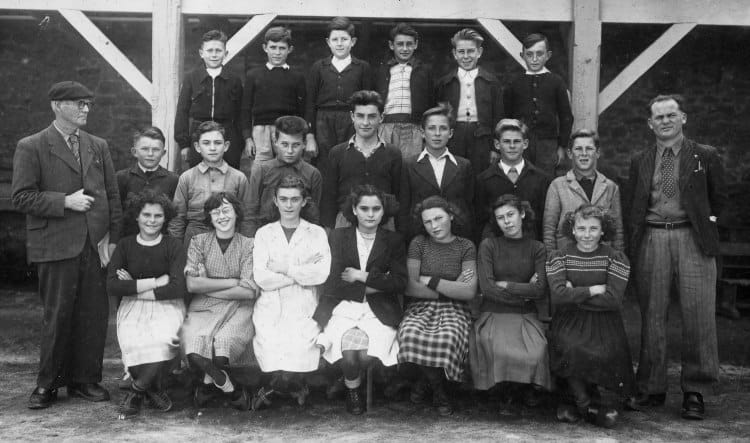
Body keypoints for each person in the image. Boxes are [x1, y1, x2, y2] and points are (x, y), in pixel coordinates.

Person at [12, 81, 122, 409]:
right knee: (58, 315)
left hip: (95, 245)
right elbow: (21, 197)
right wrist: (65, 201)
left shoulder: (97, 145)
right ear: (57, 106)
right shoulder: (31, 146)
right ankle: (48, 384)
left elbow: (112, 195)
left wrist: (112, 240)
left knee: (93, 314)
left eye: (88, 104)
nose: (86, 109)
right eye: (79, 103)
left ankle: (85, 381)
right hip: (56, 244)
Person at [626, 94, 726, 420]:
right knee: (652, 315)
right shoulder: (640, 160)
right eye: (659, 117)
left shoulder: (705, 155)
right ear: (650, 123)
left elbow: (718, 199)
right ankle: (651, 387)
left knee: (698, 316)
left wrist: (705, 225)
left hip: (691, 238)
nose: (665, 121)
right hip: (653, 237)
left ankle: (696, 390)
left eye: (671, 115)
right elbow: (634, 203)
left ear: (683, 118)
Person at [314, 185, 407, 414]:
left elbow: (399, 282)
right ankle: (352, 390)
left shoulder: (394, 240)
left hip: (380, 310)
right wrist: (377, 284)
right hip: (342, 307)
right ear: (354, 210)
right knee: (348, 355)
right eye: (364, 208)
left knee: (365, 356)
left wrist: (361, 276)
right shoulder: (338, 237)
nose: (370, 214)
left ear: (384, 211)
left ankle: (353, 378)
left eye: (376, 209)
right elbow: (333, 282)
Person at [546, 204, 635, 428]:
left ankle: (585, 401)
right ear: (572, 230)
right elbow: (558, 296)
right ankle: (585, 404)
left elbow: (613, 300)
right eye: (581, 228)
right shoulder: (560, 256)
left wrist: (574, 293)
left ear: (603, 230)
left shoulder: (615, 258)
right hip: (569, 320)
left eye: (593, 229)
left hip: (605, 322)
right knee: (571, 347)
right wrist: (593, 290)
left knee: (604, 351)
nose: (587, 235)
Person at [251, 176, 331, 409]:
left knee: (300, 344)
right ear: (275, 201)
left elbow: (321, 274)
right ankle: (290, 386)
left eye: (295, 199)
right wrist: (302, 270)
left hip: (304, 303)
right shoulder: (264, 233)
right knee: (271, 343)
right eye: (283, 199)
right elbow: (262, 277)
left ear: (304, 202)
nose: (289, 205)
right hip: (271, 303)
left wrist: (284, 268)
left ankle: (279, 387)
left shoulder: (316, 233)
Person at [106, 190, 185, 418]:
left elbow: (177, 287)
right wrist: (155, 282)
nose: (152, 220)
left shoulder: (173, 245)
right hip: (133, 306)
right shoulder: (125, 245)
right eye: (146, 215)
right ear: (137, 217)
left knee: (163, 339)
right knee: (133, 341)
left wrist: (133, 286)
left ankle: (137, 390)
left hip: (167, 305)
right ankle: (153, 389)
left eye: (158, 216)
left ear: (165, 218)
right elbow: (112, 285)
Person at [469, 194, 551, 409]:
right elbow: (487, 288)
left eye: (510, 214)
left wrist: (507, 285)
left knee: (536, 350)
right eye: (500, 218)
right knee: (496, 347)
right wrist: (525, 291)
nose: (506, 221)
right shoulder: (489, 245)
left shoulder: (537, 248)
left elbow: (540, 290)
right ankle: (501, 390)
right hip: (493, 312)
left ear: (522, 214)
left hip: (525, 315)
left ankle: (522, 389)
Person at [398, 196, 477, 416]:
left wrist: (430, 280)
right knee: (410, 334)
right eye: (428, 222)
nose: (434, 226)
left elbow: (468, 291)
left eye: (438, 218)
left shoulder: (465, 246)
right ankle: (439, 391)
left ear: (451, 216)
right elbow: (411, 287)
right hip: (421, 307)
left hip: (455, 308)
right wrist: (452, 286)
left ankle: (425, 384)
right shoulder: (419, 243)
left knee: (448, 338)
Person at [180, 192, 257, 410]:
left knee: (224, 344)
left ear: (236, 213)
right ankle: (229, 387)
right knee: (193, 348)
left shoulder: (249, 245)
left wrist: (208, 284)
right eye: (215, 212)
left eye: (226, 210)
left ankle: (207, 384)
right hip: (203, 308)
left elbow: (249, 292)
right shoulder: (198, 242)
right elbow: (192, 285)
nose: (221, 216)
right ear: (209, 217)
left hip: (239, 307)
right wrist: (232, 281)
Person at [321, 90, 402, 230]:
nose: (365, 122)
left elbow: (400, 195)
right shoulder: (337, 153)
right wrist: (330, 231)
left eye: (372, 116)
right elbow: (329, 197)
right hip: (345, 224)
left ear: (381, 117)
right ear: (352, 116)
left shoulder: (393, 153)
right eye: (360, 116)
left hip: (383, 225)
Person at [306, 16, 373, 175]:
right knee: (324, 166)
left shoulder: (362, 67)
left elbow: (368, 104)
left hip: (352, 122)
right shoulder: (319, 67)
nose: (340, 43)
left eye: (344, 39)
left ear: (353, 41)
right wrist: (310, 136)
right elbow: (310, 103)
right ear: (328, 42)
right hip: (323, 123)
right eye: (335, 39)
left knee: (352, 165)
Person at [399, 103, 475, 242]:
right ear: (422, 132)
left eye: (443, 128)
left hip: (456, 237)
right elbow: (404, 208)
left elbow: (469, 206)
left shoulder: (464, 165)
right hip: (420, 238)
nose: (437, 133)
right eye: (432, 128)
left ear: (450, 133)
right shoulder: (409, 165)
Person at [168, 121, 252, 245]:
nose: (212, 148)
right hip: (195, 237)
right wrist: (176, 250)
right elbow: (177, 218)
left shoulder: (239, 178)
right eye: (206, 143)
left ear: (226, 146)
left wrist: (245, 247)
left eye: (217, 143)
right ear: (197, 147)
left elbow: (247, 218)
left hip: (228, 239)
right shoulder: (187, 177)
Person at [503, 33, 573, 177]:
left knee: (546, 178)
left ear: (548, 55)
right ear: (522, 56)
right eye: (529, 54)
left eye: (539, 54)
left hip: (548, 145)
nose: (534, 59)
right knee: (521, 177)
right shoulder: (514, 83)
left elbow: (566, 116)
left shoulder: (556, 82)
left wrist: (562, 146)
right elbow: (505, 116)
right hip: (520, 143)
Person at [543, 129, 624, 252]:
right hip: (567, 257)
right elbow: (549, 231)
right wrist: (552, 259)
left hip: (602, 258)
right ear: (570, 153)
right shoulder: (557, 186)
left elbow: (617, 232)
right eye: (578, 149)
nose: (584, 153)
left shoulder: (610, 187)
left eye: (589, 149)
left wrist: (618, 258)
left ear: (597, 153)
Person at [435, 28, 503, 174]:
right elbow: (438, 116)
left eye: (471, 51)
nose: (466, 56)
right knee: (454, 175)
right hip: (454, 138)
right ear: (454, 54)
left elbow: (498, 116)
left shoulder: (491, 82)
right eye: (461, 52)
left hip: (482, 139)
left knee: (480, 176)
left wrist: (494, 148)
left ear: (479, 52)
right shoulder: (445, 83)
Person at [175, 29, 243, 169]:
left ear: (225, 53)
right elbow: (182, 111)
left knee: (229, 175)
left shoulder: (234, 80)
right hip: (199, 135)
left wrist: (239, 143)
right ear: (201, 53)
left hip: (227, 135)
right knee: (198, 175)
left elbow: (241, 113)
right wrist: (184, 144)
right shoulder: (191, 78)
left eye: (218, 50)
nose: (214, 54)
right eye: (210, 50)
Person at [241, 26, 310, 163]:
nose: (277, 52)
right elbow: (245, 109)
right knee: (261, 168)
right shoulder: (253, 75)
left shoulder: (297, 77)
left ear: (289, 49)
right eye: (273, 47)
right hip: (261, 131)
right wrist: (248, 138)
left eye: (282, 48)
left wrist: (303, 136)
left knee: (288, 168)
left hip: (288, 130)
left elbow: (304, 110)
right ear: (265, 48)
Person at [246, 115, 323, 237]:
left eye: (296, 145)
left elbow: (314, 216)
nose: (290, 151)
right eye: (285, 144)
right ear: (275, 141)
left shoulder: (313, 174)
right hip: (266, 236)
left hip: (300, 236)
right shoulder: (262, 170)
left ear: (304, 144)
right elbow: (250, 212)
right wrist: (251, 241)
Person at [475, 119, 550, 241]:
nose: (512, 146)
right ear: (497, 144)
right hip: (496, 246)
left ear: (525, 144)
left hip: (531, 245)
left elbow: (543, 220)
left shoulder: (541, 178)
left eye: (517, 141)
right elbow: (480, 221)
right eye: (506, 141)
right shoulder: (483, 180)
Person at [374, 22, 433, 159]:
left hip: (414, 128)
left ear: (416, 44)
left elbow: (431, 100)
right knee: (385, 163)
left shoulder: (424, 71)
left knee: (410, 165)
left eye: (409, 44)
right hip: (386, 126)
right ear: (391, 45)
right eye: (400, 44)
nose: (405, 48)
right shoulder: (382, 70)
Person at [116, 126, 179, 237]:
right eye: (145, 149)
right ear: (134, 152)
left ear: (163, 153)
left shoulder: (173, 179)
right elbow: (116, 214)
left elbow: (176, 216)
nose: (150, 154)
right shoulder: (122, 177)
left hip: (162, 240)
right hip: (128, 240)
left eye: (156, 149)